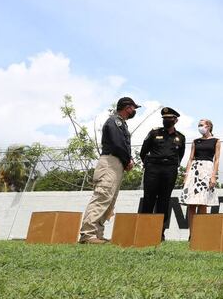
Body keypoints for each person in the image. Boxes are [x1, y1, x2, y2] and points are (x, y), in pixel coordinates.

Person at [79, 97, 140, 244]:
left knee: (109, 200)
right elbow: (117, 144)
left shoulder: (121, 123)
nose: (134, 111)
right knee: (102, 196)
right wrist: (127, 160)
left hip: (117, 163)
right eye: (133, 108)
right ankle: (87, 234)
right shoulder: (114, 121)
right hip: (110, 162)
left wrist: (126, 160)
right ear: (127, 107)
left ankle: (97, 234)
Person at [139, 107, 186, 241]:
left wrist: (172, 165)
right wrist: (148, 164)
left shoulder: (180, 137)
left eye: (169, 119)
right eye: (164, 119)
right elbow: (143, 151)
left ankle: (159, 233)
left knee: (164, 200)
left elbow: (180, 156)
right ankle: (143, 232)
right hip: (153, 168)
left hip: (169, 170)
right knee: (149, 199)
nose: (166, 121)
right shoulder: (154, 133)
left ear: (175, 120)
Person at [181, 119, 221, 235]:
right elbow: (190, 158)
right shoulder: (195, 141)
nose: (199, 127)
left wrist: (214, 176)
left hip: (207, 170)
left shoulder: (216, 141)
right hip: (194, 170)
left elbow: (217, 159)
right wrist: (186, 175)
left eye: (201, 125)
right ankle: (192, 233)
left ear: (208, 126)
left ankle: (200, 233)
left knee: (203, 202)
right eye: (198, 125)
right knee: (191, 203)